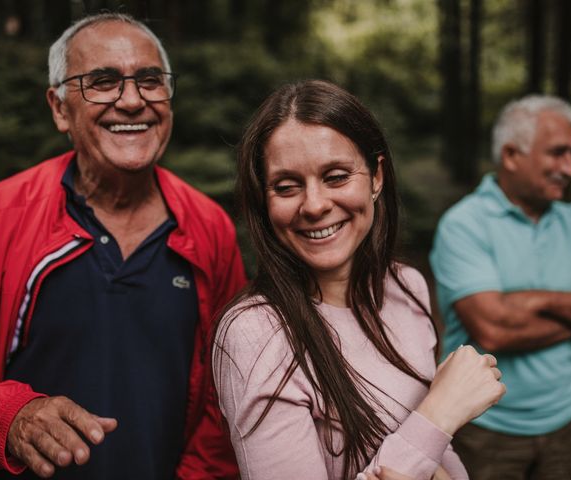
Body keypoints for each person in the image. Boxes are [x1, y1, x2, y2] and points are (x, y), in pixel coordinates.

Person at [0, 13, 245, 479]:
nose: (132, 101)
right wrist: (10, 418)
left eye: (150, 80)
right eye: (102, 82)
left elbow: (223, 401)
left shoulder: (210, 229)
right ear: (60, 108)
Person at [212, 80, 505, 480]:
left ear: (376, 177)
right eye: (286, 186)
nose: (314, 205)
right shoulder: (255, 335)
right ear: (265, 201)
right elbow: (430, 434)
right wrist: (439, 413)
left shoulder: (407, 286)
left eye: (335, 177)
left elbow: (436, 455)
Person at [430, 94, 571, 479]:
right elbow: (495, 329)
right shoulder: (464, 225)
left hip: (568, 423)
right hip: (484, 429)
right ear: (511, 155)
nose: (569, 168)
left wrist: (529, 301)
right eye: (557, 153)